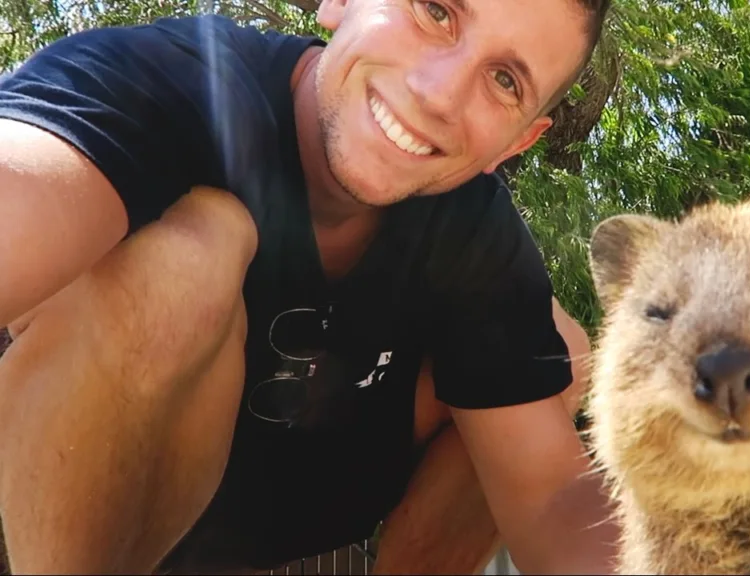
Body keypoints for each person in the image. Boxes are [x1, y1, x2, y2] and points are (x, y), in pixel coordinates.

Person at [0, 0, 620, 573]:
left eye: (505, 81)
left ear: (518, 141)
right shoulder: (173, 79)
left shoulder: (473, 229)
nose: (438, 94)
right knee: (187, 257)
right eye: (435, 10)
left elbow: (553, 496)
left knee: (553, 350)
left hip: (302, 522)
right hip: (92, 495)